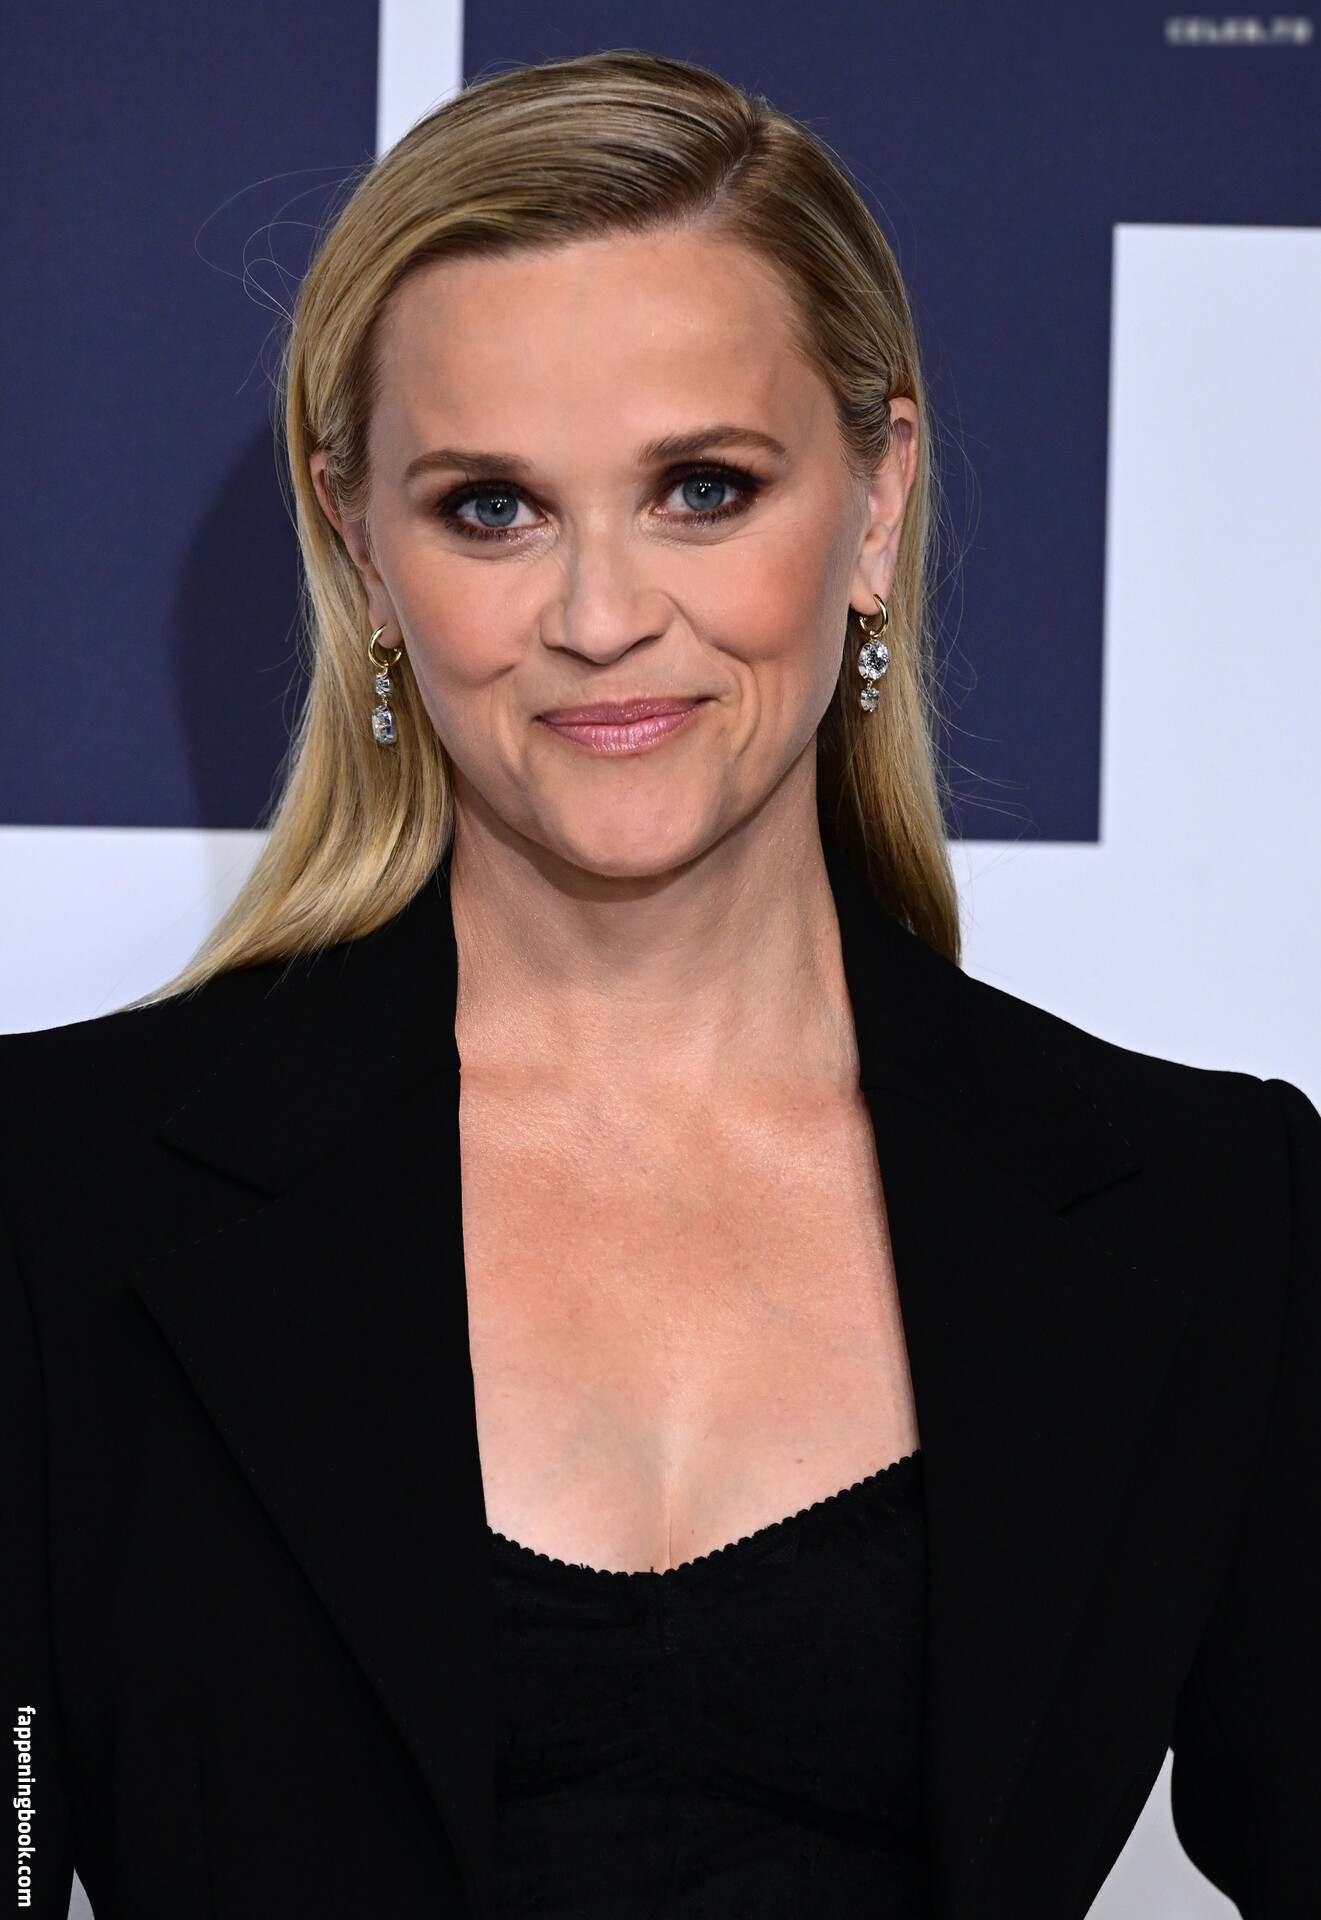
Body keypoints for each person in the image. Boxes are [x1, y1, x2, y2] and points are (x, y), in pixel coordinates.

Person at [1, 50, 1317, 1920]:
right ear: (361, 547)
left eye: (702, 489)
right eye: (491, 508)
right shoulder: (56, 1193)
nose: (602, 617)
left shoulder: (1202, 1209)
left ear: (875, 503)